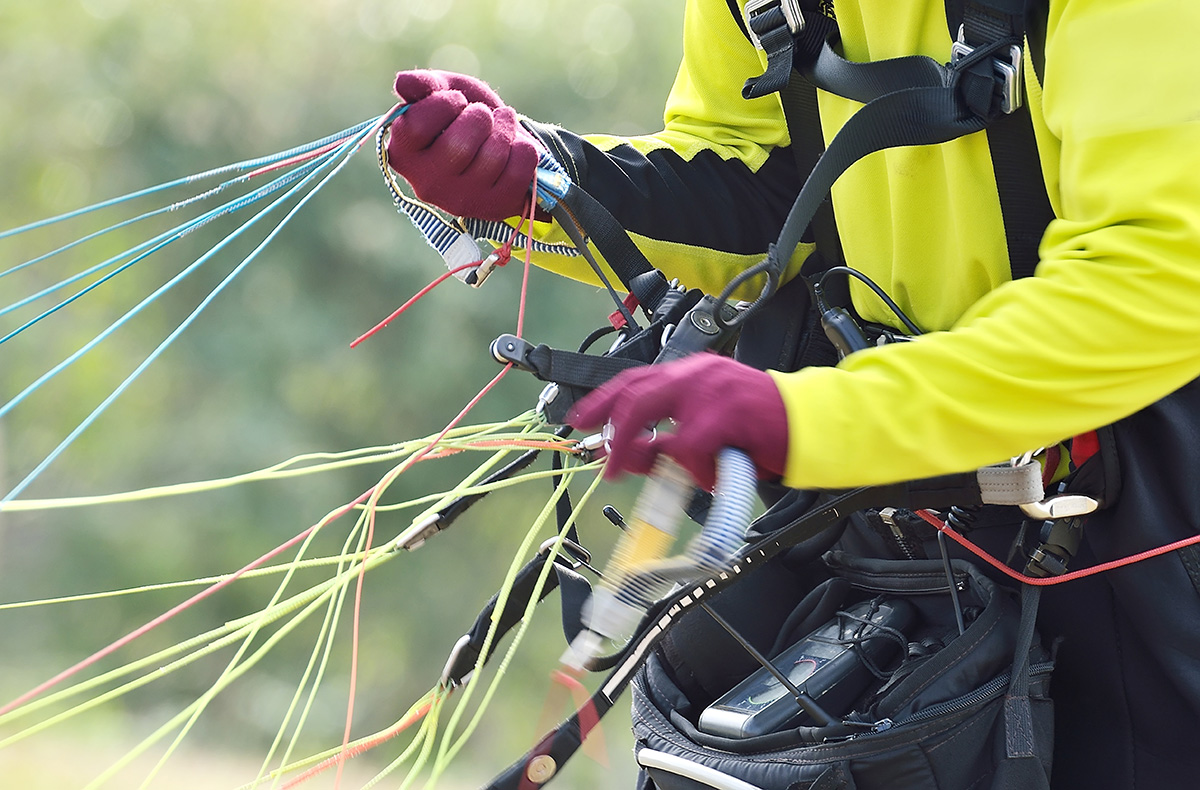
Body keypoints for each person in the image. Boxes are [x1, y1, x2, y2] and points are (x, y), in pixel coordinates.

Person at [384, 1, 1200, 786]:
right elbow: (770, 186)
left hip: (1136, 528)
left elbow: (1160, 277)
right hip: (881, 515)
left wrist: (807, 418)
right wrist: (544, 184)